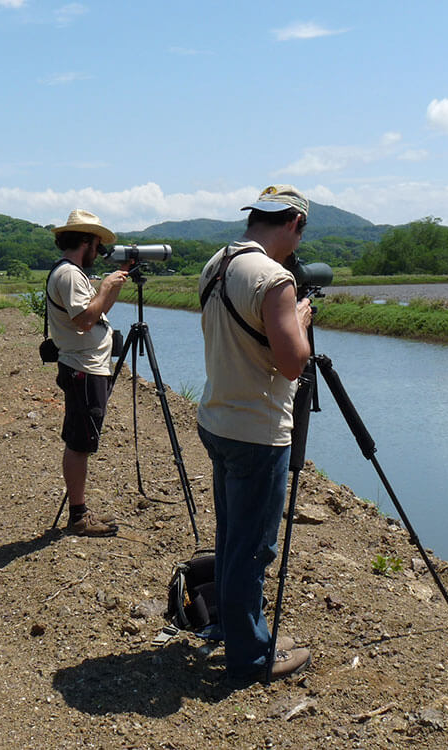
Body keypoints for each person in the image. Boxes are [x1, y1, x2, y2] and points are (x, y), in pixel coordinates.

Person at [195, 185, 314, 682]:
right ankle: (251, 658)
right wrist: (301, 321)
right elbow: (291, 364)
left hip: (217, 419)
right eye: (300, 234)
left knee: (231, 539)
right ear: (292, 224)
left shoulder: (217, 262)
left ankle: (241, 629)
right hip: (257, 431)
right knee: (251, 548)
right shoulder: (274, 278)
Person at [47, 209, 129, 536]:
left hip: (86, 367)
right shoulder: (68, 274)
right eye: (97, 243)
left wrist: (115, 283)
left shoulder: (74, 273)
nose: (100, 250)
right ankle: (78, 516)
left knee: (82, 439)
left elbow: (95, 314)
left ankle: (80, 510)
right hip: (83, 368)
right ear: (86, 241)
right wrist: (107, 285)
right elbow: (84, 320)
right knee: (80, 443)